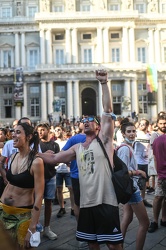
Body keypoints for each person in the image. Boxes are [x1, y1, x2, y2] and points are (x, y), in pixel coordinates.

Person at [39, 69, 123, 250]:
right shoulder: (77, 147)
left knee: (114, 245)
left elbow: (108, 110)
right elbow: (53, 158)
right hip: (86, 204)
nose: (86, 121)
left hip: (106, 202)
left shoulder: (105, 141)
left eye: (91, 119)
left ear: (100, 126)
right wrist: (32, 153)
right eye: (84, 119)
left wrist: (103, 83)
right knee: (92, 244)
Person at [0, 122, 44, 249]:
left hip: (22, 216)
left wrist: (32, 227)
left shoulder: (36, 162)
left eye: (18, 132)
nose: (13, 135)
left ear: (29, 137)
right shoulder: (13, 156)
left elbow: (39, 195)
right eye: (13, 132)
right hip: (3, 211)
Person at [116, 118, 149, 250]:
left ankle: (119, 246)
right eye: (129, 131)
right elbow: (122, 173)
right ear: (123, 133)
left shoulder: (129, 147)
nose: (132, 134)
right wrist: (138, 172)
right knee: (145, 223)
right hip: (131, 189)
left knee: (127, 218)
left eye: (134, 131)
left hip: (129, 188)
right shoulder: (124, 149)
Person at [36, 122, 60, 240]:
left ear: (48, 130)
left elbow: (57, 160)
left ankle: (47, 228)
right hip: (38, 178)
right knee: (36, 203)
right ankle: (35, 226)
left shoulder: (54, 145)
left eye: (42, 130)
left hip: (51, 176)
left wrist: (50, 159)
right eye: (39, 130)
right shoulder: (36, 144)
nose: (40, 132)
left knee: (49, 203)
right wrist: (46, 157)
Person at [148, 114, 166, 233]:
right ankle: (154, 221)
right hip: (162, 174)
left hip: (161, 173)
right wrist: (158, 173)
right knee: (158, 197)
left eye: (165, 123)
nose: (163, 125)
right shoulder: (157, 139)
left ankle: (163, 219)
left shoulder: (159, 139)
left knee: (163, 198)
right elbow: (155, 157)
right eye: (161, 123)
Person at [54, 125, 75, 218]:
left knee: (71, 189)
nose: (57, 132)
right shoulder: (54, 143)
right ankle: (62, 207)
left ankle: (73, 208)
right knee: (59, 189)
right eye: (55, 130)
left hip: (67, 170)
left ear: (63, 131)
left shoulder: (67, 142)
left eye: (58, 130)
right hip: (58, 170)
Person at [134, 119, 152, 207]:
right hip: (138, 162)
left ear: (147, 125)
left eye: (143, 124)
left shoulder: (149, 136)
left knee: (144, 181)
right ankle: (137, 199)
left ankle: (143, 198)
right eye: (140, 124)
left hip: (146, 162)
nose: (141, 125)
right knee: (137, 180)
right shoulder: (136, 134)